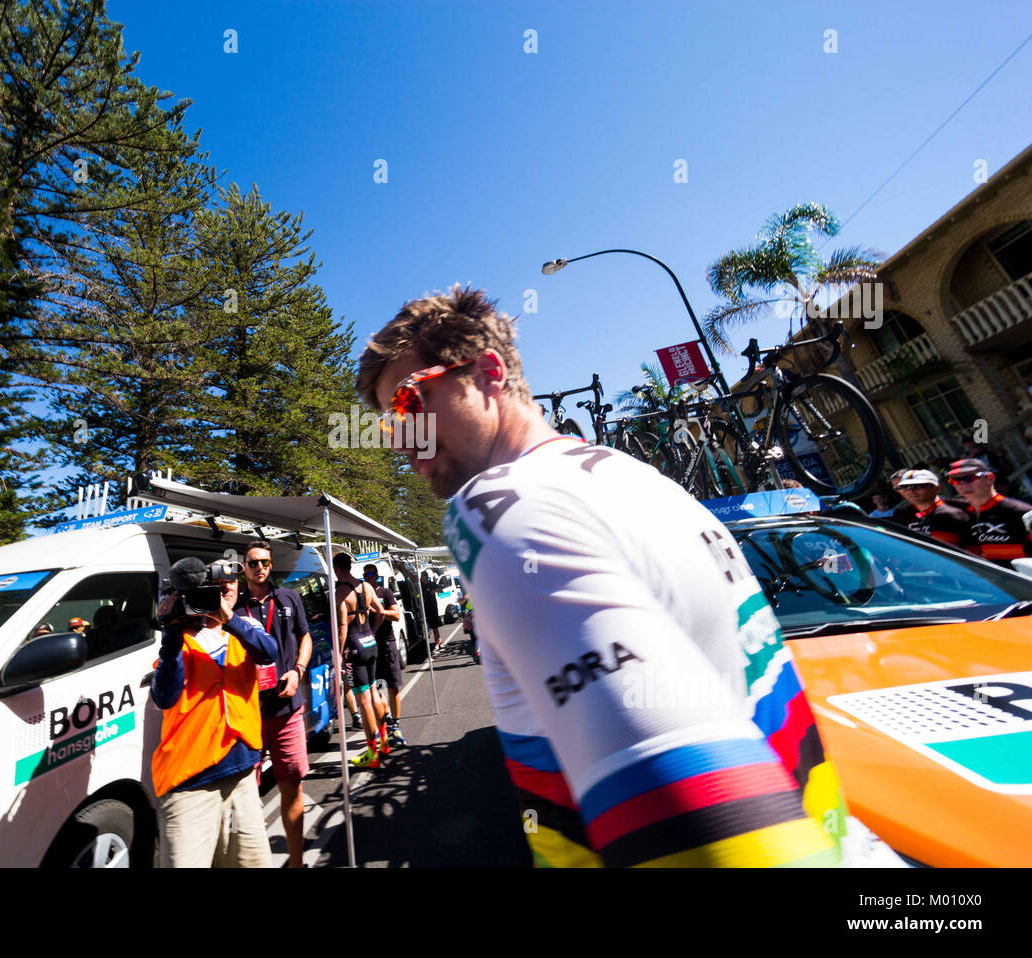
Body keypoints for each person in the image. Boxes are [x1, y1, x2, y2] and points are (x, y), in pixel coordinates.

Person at [355, 284, 860, 868]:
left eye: (409, 404)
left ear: (489, 371)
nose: (403, 439)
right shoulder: (633, 478)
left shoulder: (498, 507)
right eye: (389, 425)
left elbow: (709, 832)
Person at [149, 557, 279, 868]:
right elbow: (165, 696)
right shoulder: (180, 637)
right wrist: (171, 633)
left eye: (230, 583)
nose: (224, 590)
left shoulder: (245, 628)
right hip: (189, 784)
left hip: (242, 778)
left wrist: (229, 619)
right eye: (216, 587)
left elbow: (269, 652)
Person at [241, 540, 314, 868]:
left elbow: (305, 636)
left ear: (272, 565)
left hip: (286, 709)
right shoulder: (233, 602)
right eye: (254, 562)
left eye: (266, 563)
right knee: (243, 798)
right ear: (244, 565)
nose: (260, 568)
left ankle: (296, 863)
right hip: (247, 714)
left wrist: (298, 671)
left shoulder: (289, 597)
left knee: (291, 786)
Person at [333, 552, 388, 769]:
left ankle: (372, 753)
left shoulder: (341, 592)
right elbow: (381, 611)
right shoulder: (366, 586)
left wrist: (338, 654)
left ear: (337, 569)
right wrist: (372, 631)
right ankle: (384, 743)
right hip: (369, 643)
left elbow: (342, 627)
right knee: (374, 693)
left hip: (354, 650)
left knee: (364, 701)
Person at [946, 458, 1032, 567]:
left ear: (990, 478)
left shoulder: (1020, 511)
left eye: (969, 478)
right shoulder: (963, 516)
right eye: (955, 480)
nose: (962, 484)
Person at [363, 564, 405, 747]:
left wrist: (378, 611)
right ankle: (386, 716)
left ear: (377, 576)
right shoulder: (362, 594)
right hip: (370, 647)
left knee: (393, 686)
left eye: (370, 574)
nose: (367, 577)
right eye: (365, 574)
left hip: (387, 644)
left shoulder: (385, 593)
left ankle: (395, 724)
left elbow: (396, 616)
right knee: (375, 688)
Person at [887, 469, 970, 547]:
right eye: (901, 487)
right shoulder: (901, 515)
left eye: (916, 485)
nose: (908, 491)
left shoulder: (959, 506)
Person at [420, 573, 443, 654]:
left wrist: (435, 590)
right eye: (421, 577)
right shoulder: (420, 585)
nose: (421, 578)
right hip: (425, 608)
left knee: (434, 626)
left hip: (433, 607)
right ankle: (439, 640)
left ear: (426, 577)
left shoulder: (432, 583)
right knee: (430, 627)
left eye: (422, 576)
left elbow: (441, 590)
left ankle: (437, 643)